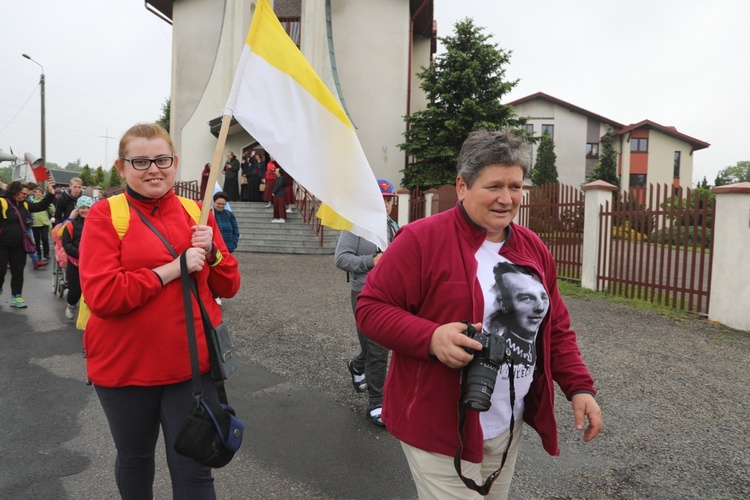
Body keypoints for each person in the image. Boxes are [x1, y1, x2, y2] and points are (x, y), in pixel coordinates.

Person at [355, 129, 602, 500]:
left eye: (516, 186)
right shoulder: (420, 240)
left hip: (506, 422)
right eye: (494, 186)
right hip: (439, 426)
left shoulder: (532, 247)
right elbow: (371, 308)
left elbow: (555, 328)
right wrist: (432, 338)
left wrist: (579, 386)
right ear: (462, 186)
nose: (507, 199)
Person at [79, 123, 241, 499]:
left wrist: (214, 252)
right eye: (140, 161)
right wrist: (173, 269)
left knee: (195, 468)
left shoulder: (196, 212)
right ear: (122, 168)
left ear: (175, 162)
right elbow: (103, 296)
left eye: (162, 159)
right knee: (135, 460)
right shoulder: (106, 215)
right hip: (125, 369)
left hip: (191, 369)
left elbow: (228, 287)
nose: (153, 169)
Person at [334, 178, 399, 426]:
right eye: (380, 199)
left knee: (377, 346)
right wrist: (370, 262)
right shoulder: (356, 227)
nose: (385, 204)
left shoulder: (393, 226)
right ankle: (377, 402)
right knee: (379, 349)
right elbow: (341, 259)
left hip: (391, 296)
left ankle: (356, 365)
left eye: (389, 200)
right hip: (365, 295)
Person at [0, 180, 56, 308]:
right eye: (23, 193)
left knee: (18, 271)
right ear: (15, 192)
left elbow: (40, 206)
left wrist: (50, 195)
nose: (25, 195)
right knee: (0, 271)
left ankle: (16, 296)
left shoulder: (24, 204)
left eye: (26, 194)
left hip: (19, 245)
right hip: (2, 244)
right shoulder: (2, 202)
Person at [61, 195, 94, 319]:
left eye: (88, 207)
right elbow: (66, 243)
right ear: (78, 209)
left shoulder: (97, 224)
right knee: (75, 290)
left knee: (92, 290)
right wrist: (80, 254)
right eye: (82, 207)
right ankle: (71, 305)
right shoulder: (71, 225)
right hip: (75, 262)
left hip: (92, 262)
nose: (85, 210)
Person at [30, 186, 55, 262]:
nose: (38, 193)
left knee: (45, 238)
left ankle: (46, 254)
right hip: (35, 224)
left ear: (42, 193)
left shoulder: (45, 202)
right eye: (36, 192)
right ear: (34, 193)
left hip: (44, 223)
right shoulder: (31, 202)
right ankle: (39, 254)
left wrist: (50, 206)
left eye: (39, 192)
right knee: (37, 240)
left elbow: (53, 211)